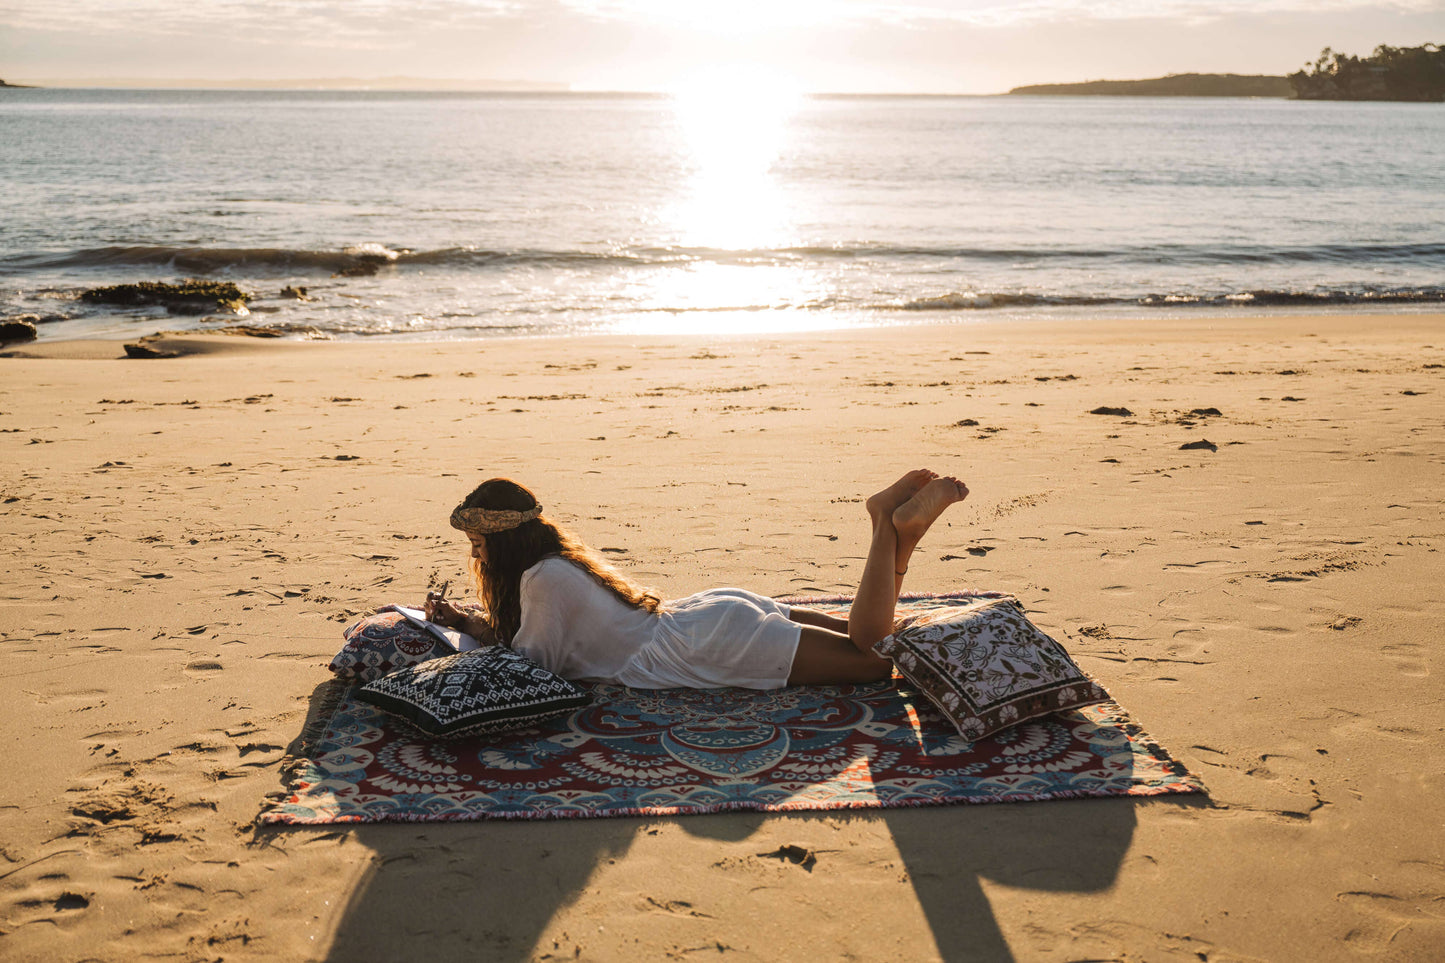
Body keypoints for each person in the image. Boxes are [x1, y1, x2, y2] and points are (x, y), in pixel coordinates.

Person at [424, 471, 968, 687]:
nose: (476, 557)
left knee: (877, 662)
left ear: (503, 542)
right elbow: (531, 638)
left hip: (707, 648)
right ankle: (905, 536)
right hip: (704, 616)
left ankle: (886, 528)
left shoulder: (541, 581)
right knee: (879, 643)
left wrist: (452, 657)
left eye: (479, 546)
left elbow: (529, 670)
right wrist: (469, 622)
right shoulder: (557, 565)